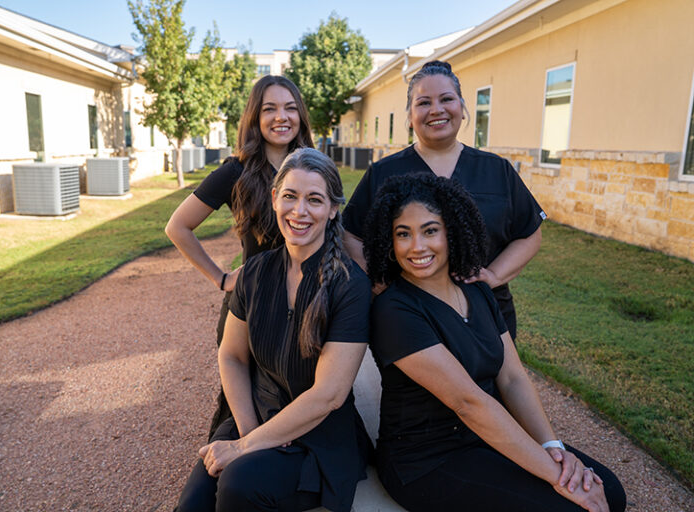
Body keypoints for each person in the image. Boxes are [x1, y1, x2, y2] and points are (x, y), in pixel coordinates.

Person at [362, 173, 625, 512]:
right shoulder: (394, 310)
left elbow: (512, 377)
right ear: (389, 241)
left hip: (486, 437)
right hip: (426, 462)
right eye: (403, 234)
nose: (417, 246)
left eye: (430, 230)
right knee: (571, 506)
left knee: (611, 492)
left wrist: (552, 447)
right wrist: (560, 479)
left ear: (451, 231)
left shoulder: (477, 290)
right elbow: (468, 403)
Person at [174, 148, 371, 512]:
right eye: (290, 196)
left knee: (239, 484)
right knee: (193, 504)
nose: (299, 211)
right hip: (255, 417)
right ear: (274, 199)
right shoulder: (254, 271)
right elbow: (231, 355)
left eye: (315, 199)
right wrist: (248, 433)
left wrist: (245, 448)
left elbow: (329, 394)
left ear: (332, 209)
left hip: (315, 438)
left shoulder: (349, 285)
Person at [343, 60, 545, 339]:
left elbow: (529, 234)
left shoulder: (496, 170)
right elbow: (350, 234)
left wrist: (495, 276)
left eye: (446, 99)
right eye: (423, 102)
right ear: (410, 115)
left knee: (498, 381)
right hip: (410, 318)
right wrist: (379, 283)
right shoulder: (384, 173)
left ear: (462, 107)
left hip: (486, 316)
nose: (436, 110)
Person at [165, 75, 314, 437]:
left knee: (301, 395)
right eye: (270, 109)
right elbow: (178, 227)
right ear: (255, 117)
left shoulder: (315, 167)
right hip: (254, 305)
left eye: (290, 108)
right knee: (244, 401)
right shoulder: (237, 170)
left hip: (307, 299)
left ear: (301, 117)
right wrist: (221, 278)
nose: (282, 117)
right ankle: (234, 463)